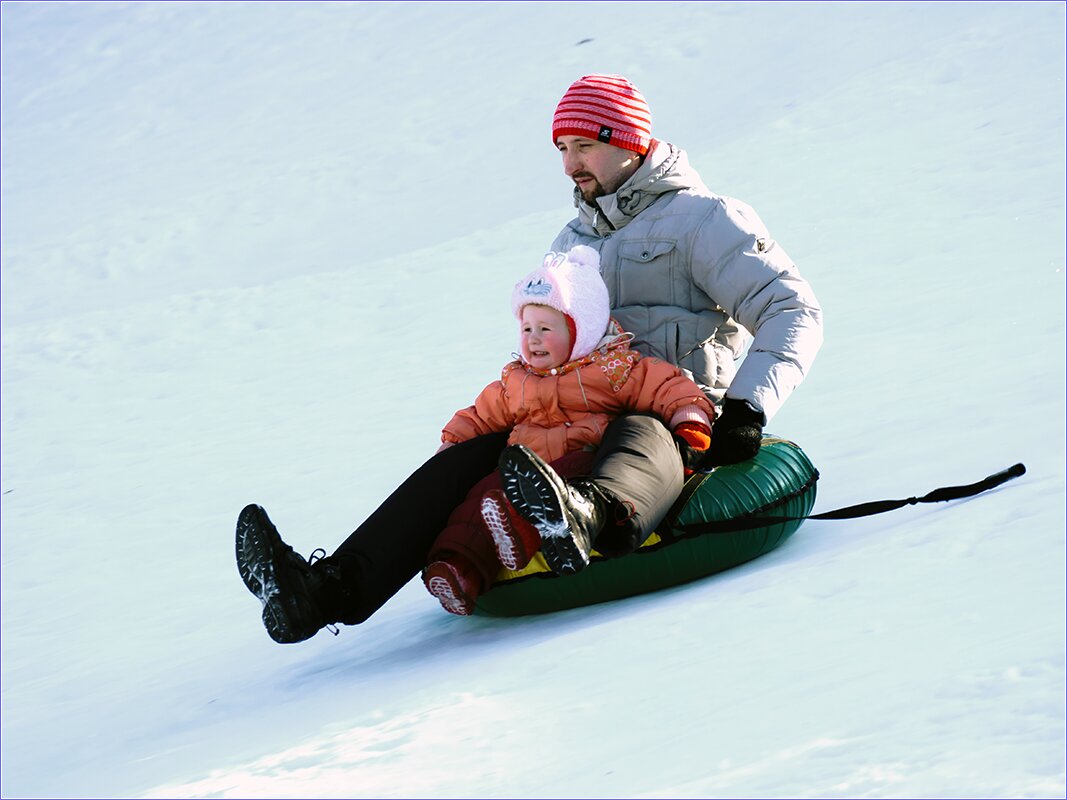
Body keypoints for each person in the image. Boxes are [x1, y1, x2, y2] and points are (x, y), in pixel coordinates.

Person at [235, 73, 822, 644]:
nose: (569, 165)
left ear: (629, 142)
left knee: (639, 431)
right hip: (571, 413)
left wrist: (747, 408)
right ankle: (324, 589)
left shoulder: (705, 220)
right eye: (563, 149)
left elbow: (792, 310)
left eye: (584, 146)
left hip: (668, 415)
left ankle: (589, 517)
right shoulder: (572, 240)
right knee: (465, 460)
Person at [421, 245, 714, 616]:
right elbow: (481, 414)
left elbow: (663, 385)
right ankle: (459, 570)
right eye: (526, 328)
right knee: (481, 495)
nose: (534, 339)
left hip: (580, 461)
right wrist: (453, 444)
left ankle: (526, 531)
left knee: (547, 484)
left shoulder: (612, 368)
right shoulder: (518, 381)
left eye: (546, 329)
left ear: (583, 330)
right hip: (523, 467)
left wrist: (689, 418)